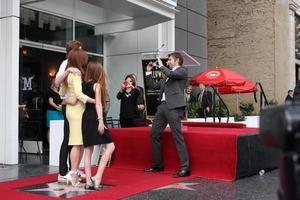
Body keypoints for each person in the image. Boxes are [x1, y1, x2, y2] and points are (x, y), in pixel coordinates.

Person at [144, 52, 191, 178]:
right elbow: (154, 85)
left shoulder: (182, 71)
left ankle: (185, 168)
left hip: (174, 107)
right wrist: (148, 72)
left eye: (169, 60)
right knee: (154, 134)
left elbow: (171, 73)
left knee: (177, 136)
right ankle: (157, 165)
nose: (167, 62)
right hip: (162, 107)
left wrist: (160, 65)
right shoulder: (167, 76)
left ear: (177, 60)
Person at [59, 47, 95, 186]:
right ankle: (73, 173)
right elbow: (79, 95)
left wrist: (68, 98)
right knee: (76, 143)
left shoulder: (69, 74)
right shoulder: (77, 74)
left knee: (78, 143)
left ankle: (74, 172)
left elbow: (62, 93)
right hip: (77, 111)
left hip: (71, 110)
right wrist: (95, 101)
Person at [81, 61, 115, 190]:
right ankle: (98, 177)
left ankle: (89, 182)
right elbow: (98, 105)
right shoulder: (97, 86)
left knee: (88, 150)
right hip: (96, 117)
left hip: (86, 117)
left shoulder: (83, 85)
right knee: (110, 146)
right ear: (98, 72)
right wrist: (101, 121)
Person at [55, 40, 82, 183]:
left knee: (76, 139)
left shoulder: (80, 64)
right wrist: (68, 70)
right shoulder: (65, 63)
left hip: (78, 105)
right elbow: (57, 83)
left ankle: (74, 169)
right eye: (79, 49)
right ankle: (62, 171)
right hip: (69, 105)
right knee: (68, 137)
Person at [46, 79, 63, 143]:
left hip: (59, 112)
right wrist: (57, 107)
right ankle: (51, 144)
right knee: (51, 128)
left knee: (59, 127)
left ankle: (57, 143)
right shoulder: (50, 91)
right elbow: (50, 102)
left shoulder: (60, 92)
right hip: (52, 112)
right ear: (54, 83)